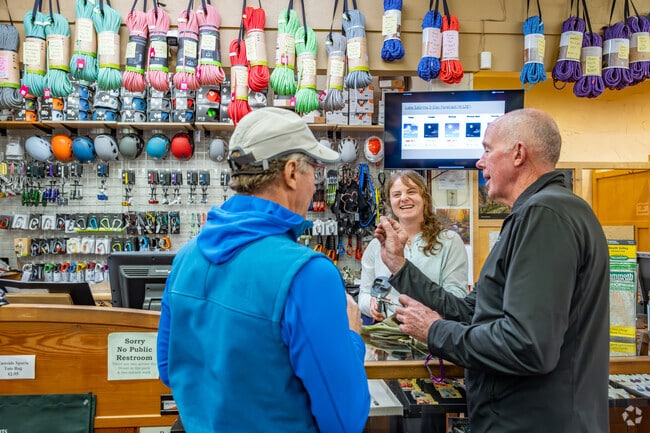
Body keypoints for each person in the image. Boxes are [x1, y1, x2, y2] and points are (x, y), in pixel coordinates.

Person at [376, 108, 610, 433]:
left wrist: (434, 331)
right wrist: (400, 266)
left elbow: (527, 346)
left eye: (487, 149)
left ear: (518, 154)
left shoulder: (544, 215)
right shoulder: (539, 213)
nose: (479, 162)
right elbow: (471, 311)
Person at [157, 107, 370, 433]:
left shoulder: (186, 258)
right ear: (291, 173)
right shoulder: (307, 274)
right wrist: (352, 337)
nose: (315, 184)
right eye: (313, 169)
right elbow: (346, 420)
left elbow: (170, 370)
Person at [358, 170, 468, 323]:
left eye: (411, 192)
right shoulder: (376, 245)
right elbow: (363, 294)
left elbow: (457, 299)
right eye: (396, 195)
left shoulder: (449, 241)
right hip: (389, 339)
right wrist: (370, 304)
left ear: (425, 199)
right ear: (390, 202)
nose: (404, 198)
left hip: (431, 338)